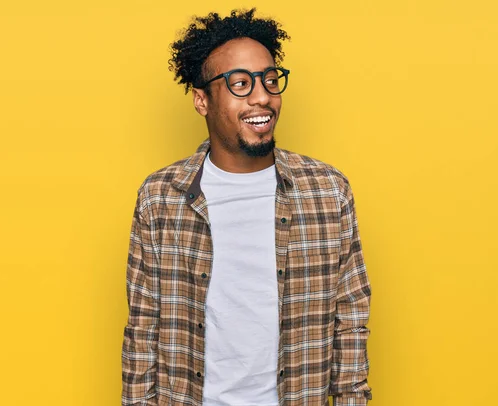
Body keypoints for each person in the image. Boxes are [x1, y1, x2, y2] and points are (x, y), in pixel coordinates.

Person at [121, 8, 372, 406]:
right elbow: (143, 330)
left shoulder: (327, 192)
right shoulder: (161, 198)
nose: (262, 97)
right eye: (240, 83)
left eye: (271, 81)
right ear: (201, 100)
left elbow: (350, 322)